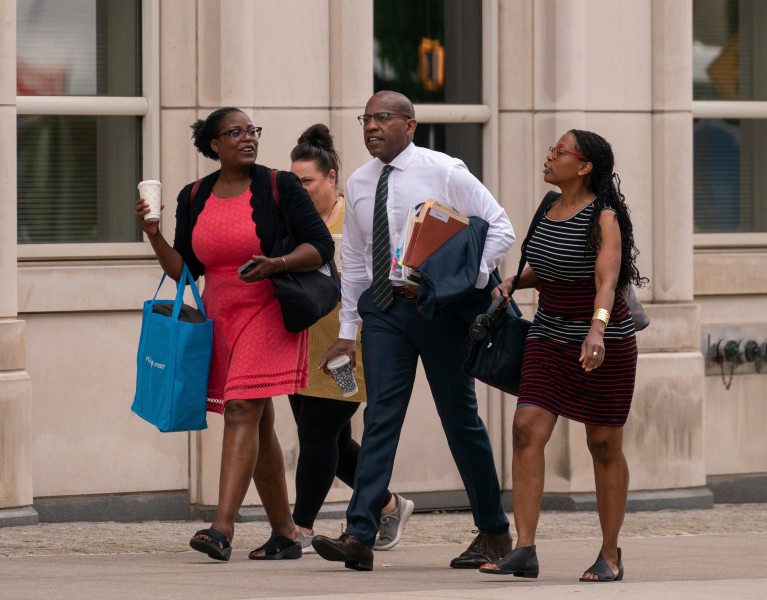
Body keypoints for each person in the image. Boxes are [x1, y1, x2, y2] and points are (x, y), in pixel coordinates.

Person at [311, 91, 515, 572]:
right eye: (366, 118)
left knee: (459, 420)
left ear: (410, 124)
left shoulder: (444, 171)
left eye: (383, 118)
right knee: (380, 416)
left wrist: (464, 277)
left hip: (441, 312)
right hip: (385, 311)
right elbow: (358, 263)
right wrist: (348, 330)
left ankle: (494, 530)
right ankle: (360, 533)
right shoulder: (360, 183)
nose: (372, 126)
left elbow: (501, 228)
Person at [135, 107, 334, 562]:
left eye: (252, 131)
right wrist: (153, 234)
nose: (248, 138)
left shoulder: (278, 185)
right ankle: (285, 533)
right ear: (213, 145)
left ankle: (221, 527)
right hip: (220, 316)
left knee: (242, 408)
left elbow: (320, 246)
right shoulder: (194, 195)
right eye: (235, 132)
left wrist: (277, 263)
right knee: (258, 420)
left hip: (270, 307)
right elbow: (186, 270)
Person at [480, 130, 645, 581]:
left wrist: (598, 329)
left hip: (600, 339)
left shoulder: (604, 217)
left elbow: (607, 281)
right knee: (525, 428)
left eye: (559, 151)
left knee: (603, 443)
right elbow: (546, 264)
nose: (548, 156)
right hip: (548, 334)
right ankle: (524, 548)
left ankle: (610, 554)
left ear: (585, 166)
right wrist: (516, 282)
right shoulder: (547, 208)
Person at [287, 123, 414, 553]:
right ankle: (389, 505)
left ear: (331, 179)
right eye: (295, 181)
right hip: (300, 345)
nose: (301, 189)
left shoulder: (353, 216)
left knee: (318, 434)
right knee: (335, 443)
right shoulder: (294, 224)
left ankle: (299, 527)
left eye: (308, 181)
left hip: (348, 347)